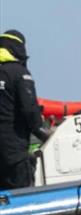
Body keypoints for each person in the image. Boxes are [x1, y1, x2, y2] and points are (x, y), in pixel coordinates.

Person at [0, 30, 50, 190]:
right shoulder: (19, 73)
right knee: (21, 191)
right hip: (14, 152)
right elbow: (30, 109)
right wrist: (43, 133)